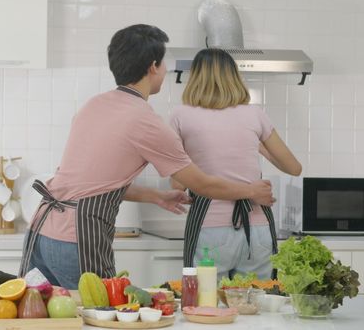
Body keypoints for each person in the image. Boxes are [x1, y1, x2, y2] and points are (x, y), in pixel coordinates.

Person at [18, 24, 275, 289]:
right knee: (101, 317)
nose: (165, 71)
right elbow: (202, 184)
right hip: (77, 239)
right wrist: (251, 191)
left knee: (47, 317)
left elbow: (92, 183)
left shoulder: (94, 105)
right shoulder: (145, 121)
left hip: (42, 232)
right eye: (164, 64)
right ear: (153, 66)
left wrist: (155, 196)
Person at [169, 48, 302, 280]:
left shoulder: (180, 116)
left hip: (209, 229)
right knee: (256, 305)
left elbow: (176, 185)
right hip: (258, 229)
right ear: (234, 77)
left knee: (206, 306)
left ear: (195, 78)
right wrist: (260, 147)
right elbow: (294, 168)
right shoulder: (255, 114)